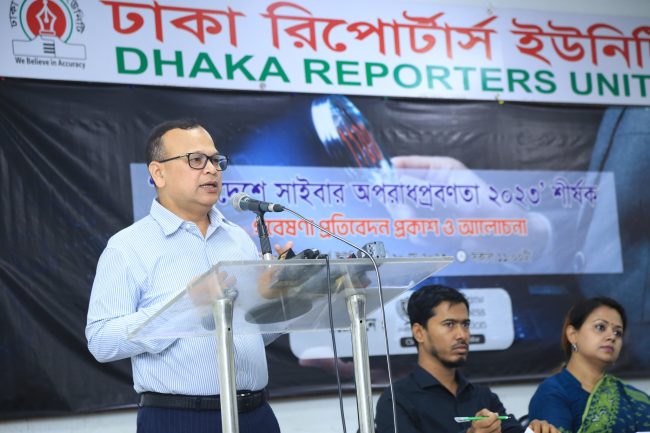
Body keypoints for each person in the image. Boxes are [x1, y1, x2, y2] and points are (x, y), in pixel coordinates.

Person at [85, 119, 281, 433]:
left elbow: (258, 334)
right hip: (181, 419)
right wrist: (186, 306)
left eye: (215, 160)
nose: (212, 170)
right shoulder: (128, 246)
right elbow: (101, 341)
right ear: (158, 173)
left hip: (256, 415)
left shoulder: (238, 238)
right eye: (196, 160)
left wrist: (270, 299)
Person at [375, 284, 559, 433]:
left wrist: (536, 430)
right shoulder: (397, 400)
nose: (462, 335)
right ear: (419, 332)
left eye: (465, 324)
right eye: (449, 324)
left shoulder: (483, 397)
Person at [528, 297, 650, 433]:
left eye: (618, 332)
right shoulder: (553, 392)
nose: (611, 337)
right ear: (572, 335)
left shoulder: (634, 396)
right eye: (600, 327)